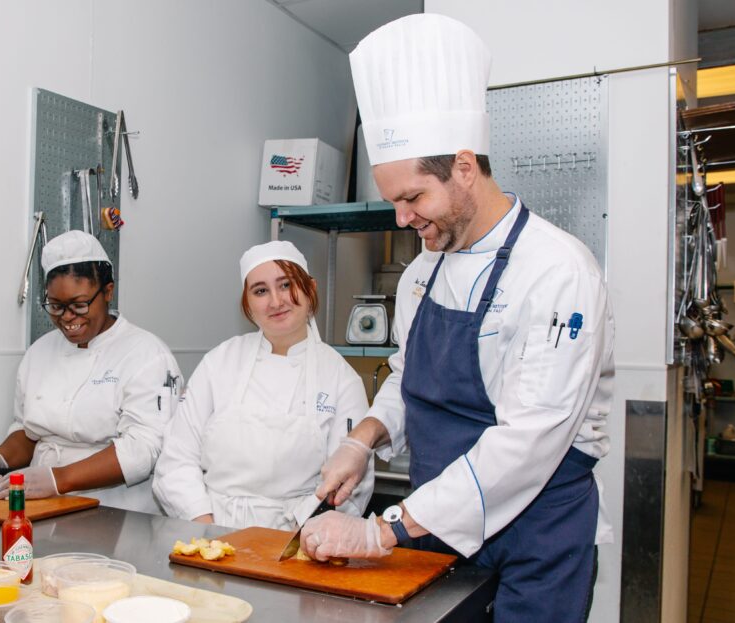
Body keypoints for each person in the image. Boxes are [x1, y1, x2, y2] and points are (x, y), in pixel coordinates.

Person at [302, 14, 615, 622]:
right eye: (392, 200)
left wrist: (383, 531)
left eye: (413, 198)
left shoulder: (558, 272)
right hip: (441, 522)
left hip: (538, 535)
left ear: (465, 168)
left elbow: (529, 442)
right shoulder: (424, 271)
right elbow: (406, 377)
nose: (400, 219)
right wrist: (362, 439)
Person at [153, 241, 373, 530]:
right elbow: (176, 460)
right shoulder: (219, 362)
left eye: (286, 285)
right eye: (260, 291)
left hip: (296, 541)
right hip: (210, 531)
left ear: (311, 289)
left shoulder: (340, 378)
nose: (276, 301)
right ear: (247, 303)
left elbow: (350, 485)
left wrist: (295, 540)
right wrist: (206, 530)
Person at [0, 230, 182, 513]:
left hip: (115, 509)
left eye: (79, 305)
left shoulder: (146, 354)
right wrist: (0, 456)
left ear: (107, 292)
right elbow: (28, 430)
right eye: (56, 306)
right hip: (41, 504)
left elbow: (142, 450)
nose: (67, 318)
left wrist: (59, 478)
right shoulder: (40, 351)